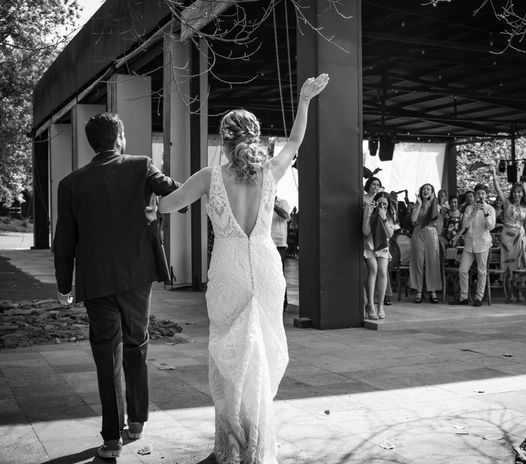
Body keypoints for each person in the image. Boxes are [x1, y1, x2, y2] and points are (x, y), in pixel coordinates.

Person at [158, 74, 329, 463]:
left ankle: (232, 442)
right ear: (253, 137)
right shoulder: (271, 172)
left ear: (224, 139)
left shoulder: (209, 177)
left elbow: (167, 205)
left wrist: (147, 192)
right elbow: (296, 141)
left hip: (229, 267)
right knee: (261, 352)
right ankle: (257, 440)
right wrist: (304, 100)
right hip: (267, 266)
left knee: (229, 353)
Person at [53, 112, 181, 458]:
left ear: (91, 143)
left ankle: (111, 437)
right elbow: (171, 190)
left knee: (105, 356)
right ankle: (137, 422)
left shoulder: (70, 183)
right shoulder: (140, 165)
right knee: (136, 344)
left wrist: (64, 283)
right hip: (137, 276)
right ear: (120, 136)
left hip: (95, 281)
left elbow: (64, 239)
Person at [453, 183, 496, 306]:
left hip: (483, 243)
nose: (480, 196)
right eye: (478, 194)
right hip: (469, 243)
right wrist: (474, 211)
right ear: (475, 195)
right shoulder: (469, 208)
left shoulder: (490, 209)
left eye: (483, 194)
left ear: (486, 195)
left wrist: (485, 213)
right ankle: (463, 297)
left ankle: (479, 297)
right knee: (462, 270)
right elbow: (465, 225)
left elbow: (491, 226)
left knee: (481, 271)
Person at [492, 169, 526, 301]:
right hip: (508, 237)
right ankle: (510, 293)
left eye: (519, 192)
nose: (517, 194)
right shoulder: (506, 203)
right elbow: (498, 190)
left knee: (520, 264)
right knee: (509, 265)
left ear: (522, 193)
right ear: (512, 193)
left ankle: (519, 291)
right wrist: (494, 175)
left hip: (521, 237)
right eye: (514, 192)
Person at [362, 191, 396, 319]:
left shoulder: (388, 216)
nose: (383, 206)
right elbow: (365, 231)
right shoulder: (370, 212)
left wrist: (385, 219)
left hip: (382, 246)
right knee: (373, 269)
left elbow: (391, 234)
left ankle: (380, 305)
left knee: (382, 271)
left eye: (385, 204)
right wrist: (367, 214)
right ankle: (370, 305)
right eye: (380, 203)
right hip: (370, 244)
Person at [409, 183, 442, 303]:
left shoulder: (436, 205)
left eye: (428, 189)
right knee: (417, 261)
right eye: (424, 189)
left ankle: (432, 290)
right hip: (418, 233)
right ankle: (418, 290)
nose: (426, 191)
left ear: (432, 192)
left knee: (432, 262)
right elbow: (413, 220)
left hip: (431, 234)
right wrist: (418, 205)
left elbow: (438, 221)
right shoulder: (417, 204)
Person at [272, 196, 291, 310]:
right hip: (266, 242)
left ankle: (282, 302)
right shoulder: (260, 201)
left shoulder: (282, 202)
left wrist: (273, 205)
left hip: (279, 244)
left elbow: (286, 217)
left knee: (279, 272)